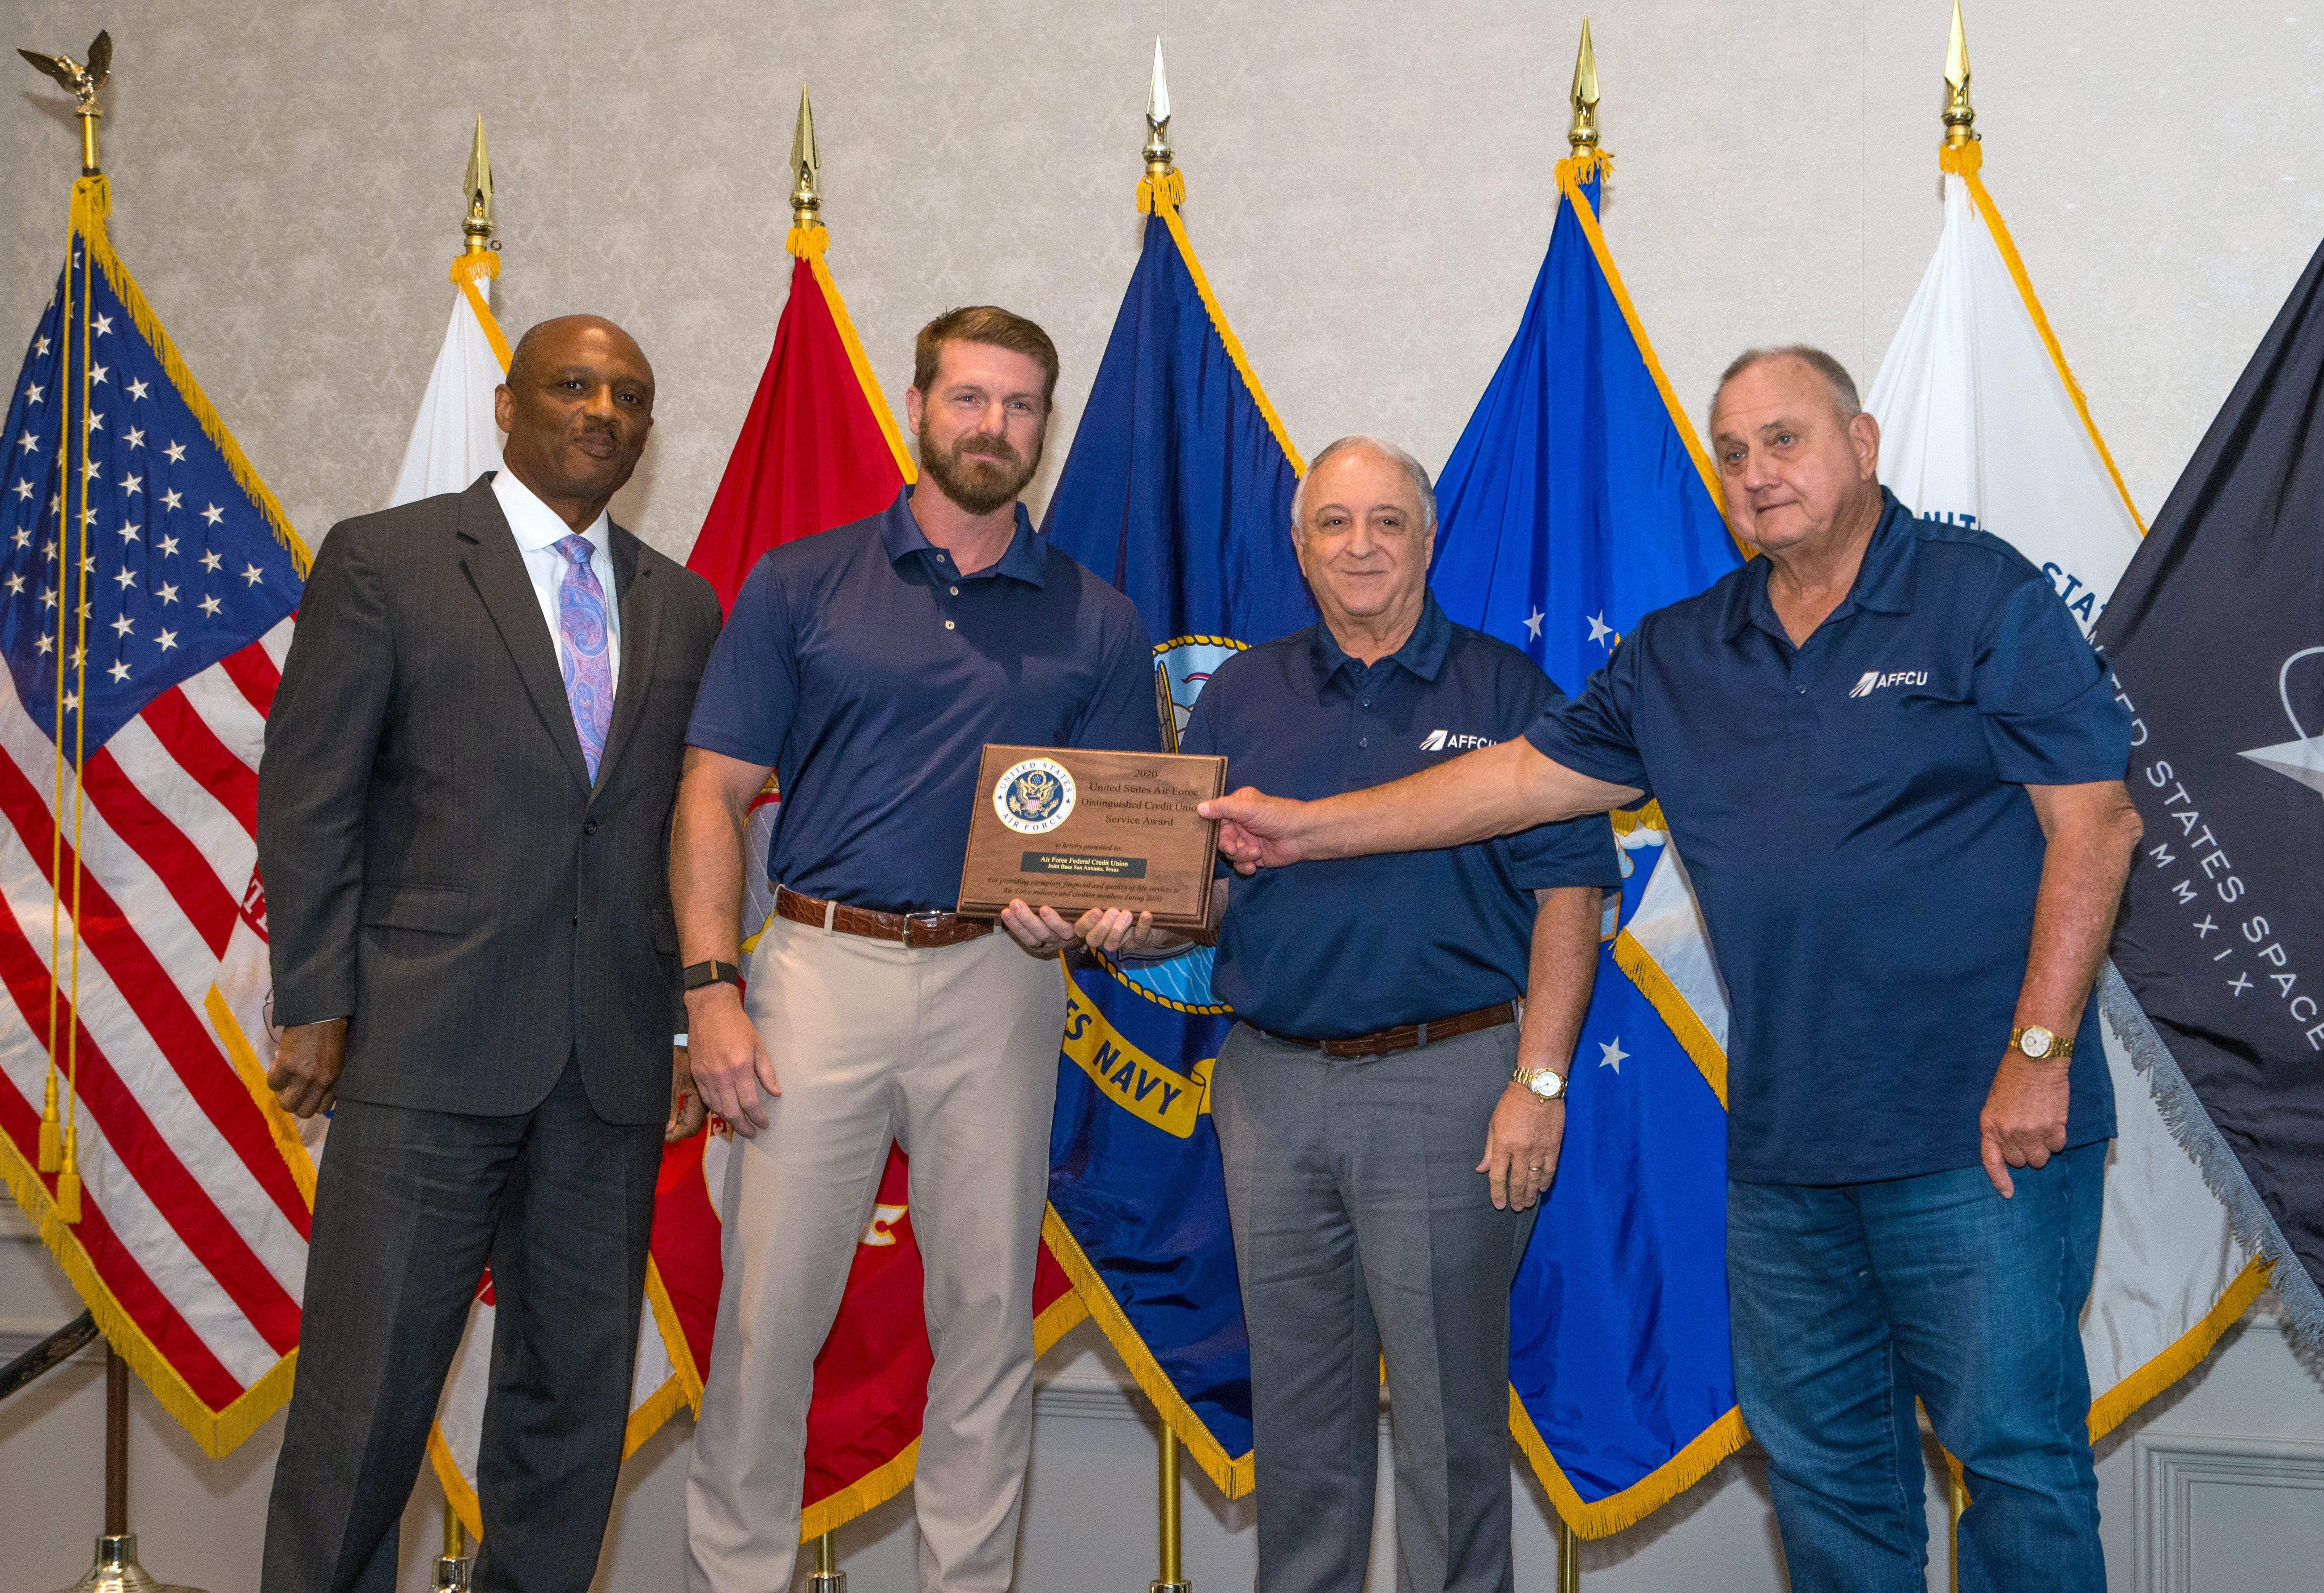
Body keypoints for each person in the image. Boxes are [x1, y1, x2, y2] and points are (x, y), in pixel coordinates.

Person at [1201, 349, 2143, 1593]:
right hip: (1787, 1154)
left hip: (1975, 1134)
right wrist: (1310, 828)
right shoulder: (1687, 648)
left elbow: (2097, 822)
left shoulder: (1979, 596)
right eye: (1734, 453)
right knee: (1825, 1477)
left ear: (1861, 445)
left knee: (2012, 1464)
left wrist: (2036, 1059)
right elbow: (1517, 781)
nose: (1758, 475)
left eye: (1785, 442)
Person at [674, 306, 1160, 1593]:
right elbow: (712, 795)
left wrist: (1092, 910)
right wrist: (712, 991)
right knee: (768, 1323)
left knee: (989, 1323)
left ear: (1042, 430)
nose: (992, 426)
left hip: (1001, 983)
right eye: (969, 399)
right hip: (816, 973)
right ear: (918, 407)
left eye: (1018, 407)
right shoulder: (799, 581)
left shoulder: (1097, 619)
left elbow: (1118, 848)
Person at [1077, 435, 1613, 1593]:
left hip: (1449, 1083)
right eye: (1333, 523)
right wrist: (1132, 922)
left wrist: (1539, 1082)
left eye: (1385, 521)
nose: (1358, 545)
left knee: (1445, 1431)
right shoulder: (1241, 690)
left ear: (1428, 539)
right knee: (1303, 1432)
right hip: (1269, 1088)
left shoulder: (1505, 693)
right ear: (1298, 544)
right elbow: (1203, 897)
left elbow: (1571, 897)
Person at [256, 315, 722, 1593]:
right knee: (362, 1412)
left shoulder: (681, 604)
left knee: (568, 1416)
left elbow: (681, 827)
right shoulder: (388, 561)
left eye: (630, 396)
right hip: (422, 1044)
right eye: (574, 386)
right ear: (508, 405)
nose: (603, 413)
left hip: (608, 1069)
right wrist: (314, 994)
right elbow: (310, 796)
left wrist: (682, 1024)